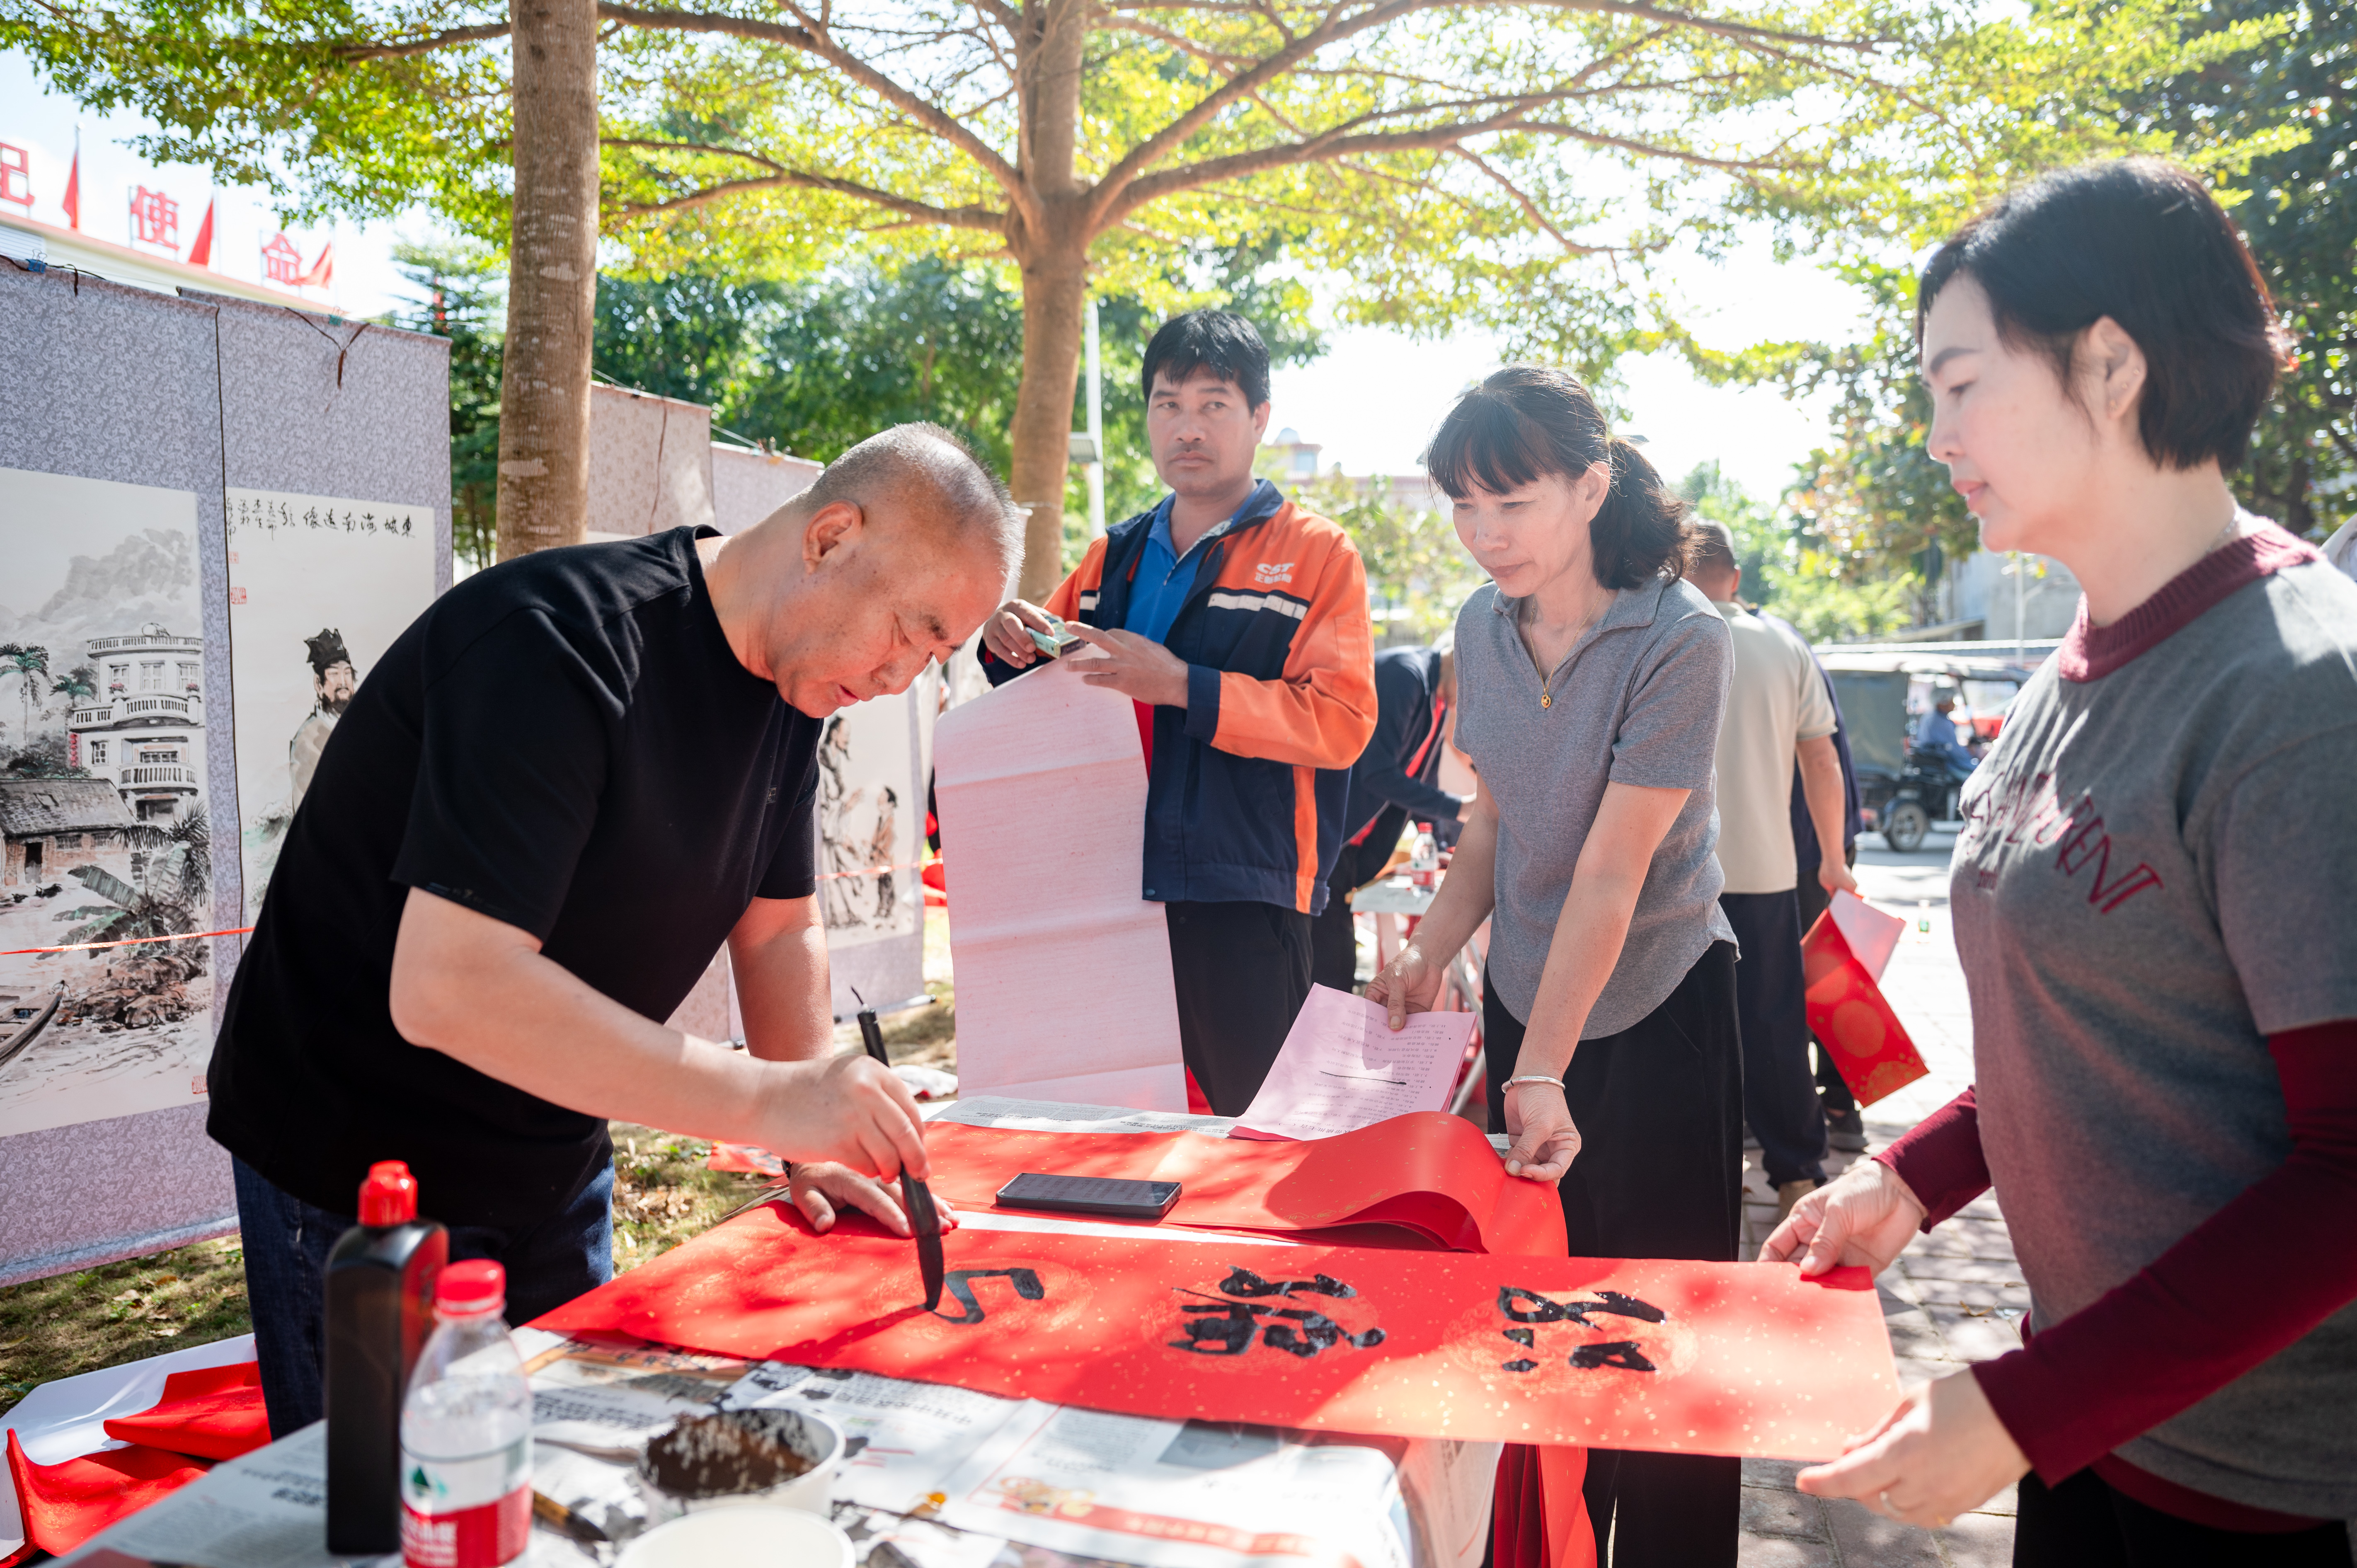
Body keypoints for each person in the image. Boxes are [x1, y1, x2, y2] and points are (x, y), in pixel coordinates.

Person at [1764, 158, 2357, 1563]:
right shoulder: (2069, 668)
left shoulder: (2294, 696)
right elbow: (2094, 1023)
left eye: (1959, 384)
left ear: (2107, 364)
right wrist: (1909, 1176)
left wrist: (2023, 1406)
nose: (1932, 431)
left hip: (2251, 1486)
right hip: (2094, 1421)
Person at [208, 425, 1019, 1436]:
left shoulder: (793, 693)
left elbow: (776, 934)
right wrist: (774, 1101)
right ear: (831, 537)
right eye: (912, 629)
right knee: (390, 1514)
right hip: (362, 1166)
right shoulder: (557, 643)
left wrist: (817, 1138)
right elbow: (450, 986)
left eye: (937, 657)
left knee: (561, 1483)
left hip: (553, 1144)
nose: (907, 675)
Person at [1368, 367, 1741, 1565]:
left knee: (1662, 1338)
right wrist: (1428, 956)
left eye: (1510, 503)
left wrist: (1540, 1070)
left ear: (1588, 487)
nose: (1484, 537)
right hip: (1530, 1018)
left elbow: (1609, 872)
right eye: (1462, 508)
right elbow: (1491, 829)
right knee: (1532, 1323)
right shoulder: (1477, 626)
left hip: (1658, 1009)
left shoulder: (1680, 638)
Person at [981, 310, 1376, 1114]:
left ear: (1258, 418)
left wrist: (1182, 686)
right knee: (1124, 1130)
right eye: (1167, 404)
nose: (1186, 428)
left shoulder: (1317, 554)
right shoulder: (1111, 553)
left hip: (1244, 892)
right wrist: (1005, 641)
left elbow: (1340, 721)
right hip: (1109, 890)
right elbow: (1045, 686)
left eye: (1212, 405)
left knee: (1257, 1140)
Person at [1686, 525, 1858, 1218]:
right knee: (1773, 1023)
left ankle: (1697, 1165)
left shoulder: (1655, 632)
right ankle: (1794, 1168)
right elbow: (1821, 759)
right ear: (1733, 573)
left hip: (1671, 873)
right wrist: (1833, 859)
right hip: (1762, 871)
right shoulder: (1782, 642)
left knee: (1686, 1026)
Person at [1754, 605, 1868, 1152]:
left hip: (1801, 841)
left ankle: (1804, 1110)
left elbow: (1819, 759)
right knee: (1829, 971)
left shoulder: (1755, 643)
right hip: (1822, 837)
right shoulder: (1782, 636)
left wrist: (1829, 858)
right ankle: (1839, 1107)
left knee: (1790, 981)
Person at [1310, 638, 1468, 993]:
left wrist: (1442, 840)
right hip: (1322, 836)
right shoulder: (1405, 674)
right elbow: (1377, 773)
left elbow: (1419, 775)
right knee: (1327, 968)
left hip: (1348, 848)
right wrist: (1459, 808)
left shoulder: (1437, 695)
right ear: (1464, 655)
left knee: (1335, 964)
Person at [1910, 691, 1977, 779]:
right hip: (1944, 763)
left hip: (1933, 760)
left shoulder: (1929, 717)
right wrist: (1970, 755)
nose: (1954, 705)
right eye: (1951, 701)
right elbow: (1955, 752)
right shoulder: (1941, 722)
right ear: (1942, 703)